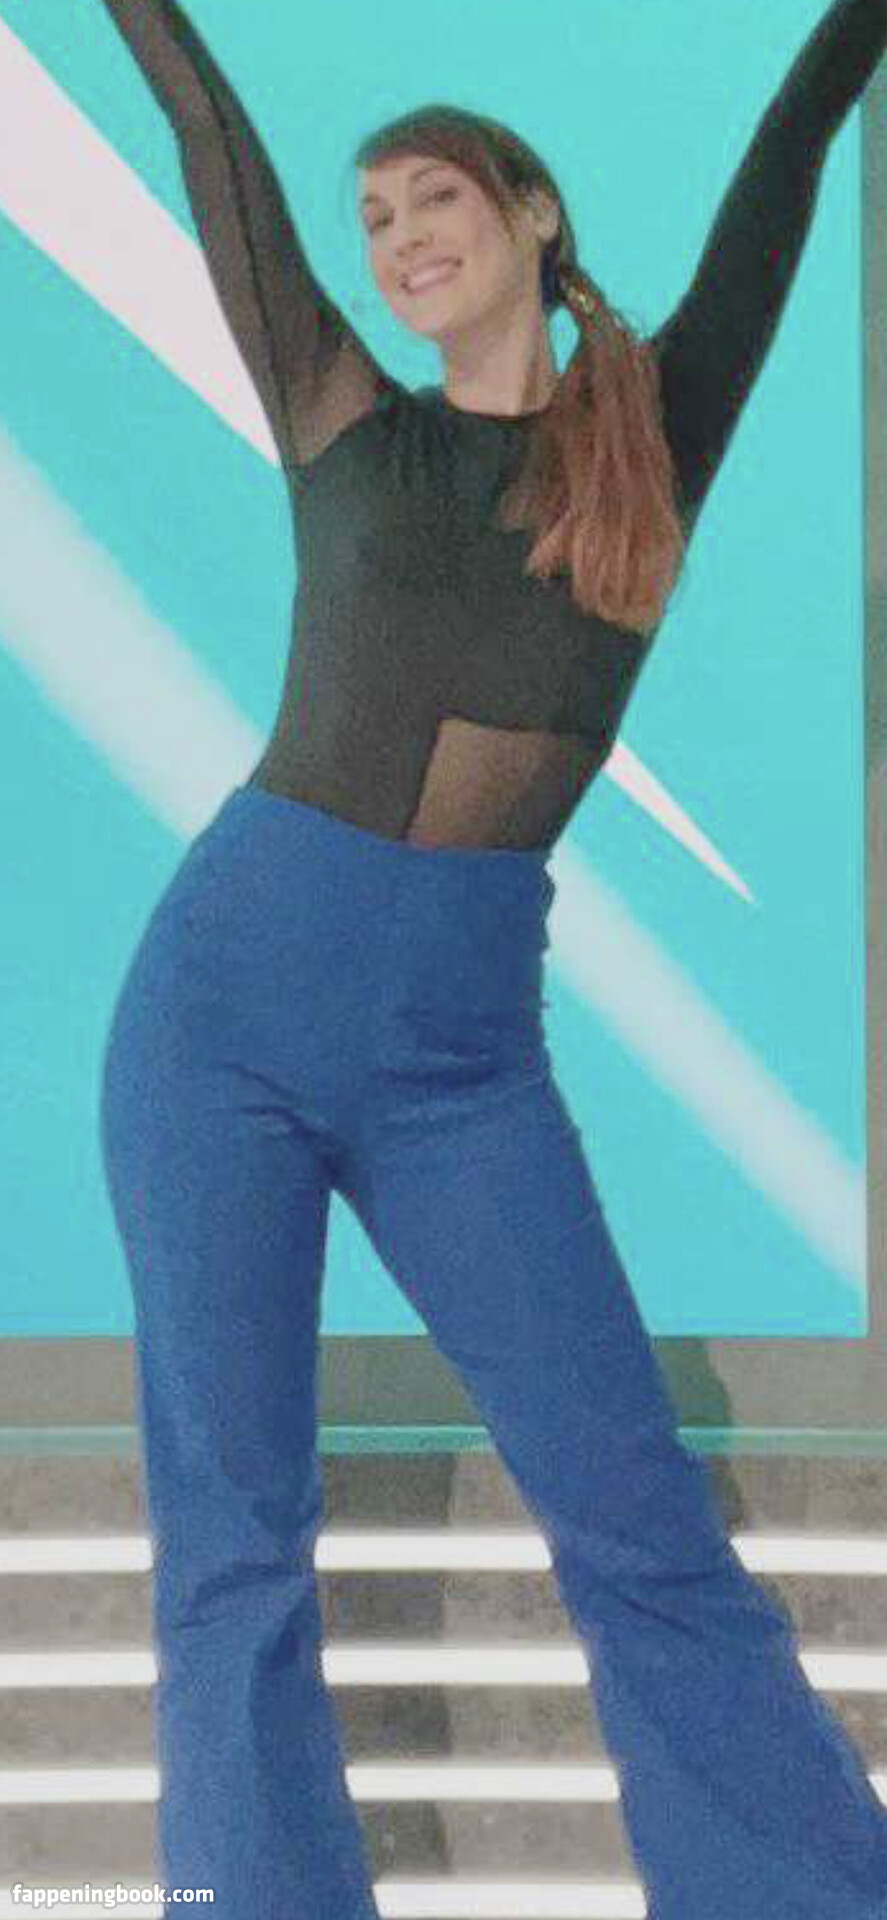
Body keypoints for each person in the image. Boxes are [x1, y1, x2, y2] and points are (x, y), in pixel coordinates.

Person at [96, 2, 887, 1914]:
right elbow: (211, 140)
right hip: (221, 1015)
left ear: (532, 214)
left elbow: (791, 154)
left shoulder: (656, 434)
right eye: (372, 217)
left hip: (459, 1054)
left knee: (634, 1512)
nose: (395, 238)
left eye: (434, 196)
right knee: (236, 1539)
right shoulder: (344, 424)